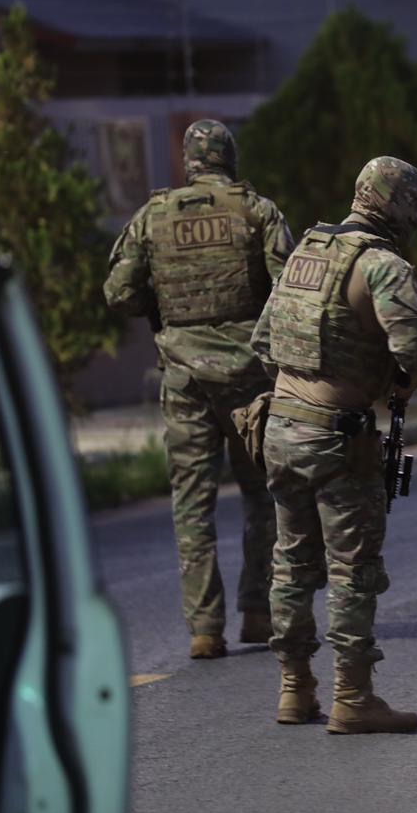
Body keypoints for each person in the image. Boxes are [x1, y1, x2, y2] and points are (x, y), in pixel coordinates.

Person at [251, 156, 417, 734]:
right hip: (335, 434)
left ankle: (293, 689)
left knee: (292, 560)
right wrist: (396, 378)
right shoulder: (382, 264)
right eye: (414, 203)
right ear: (396, 205)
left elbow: (262, 340)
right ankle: (353, 697)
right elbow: (413, 346)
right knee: (353, 567)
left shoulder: (307, 251)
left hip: (279, 427)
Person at [104, 119, 293, 659]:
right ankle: (259, 612)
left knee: (192, 502)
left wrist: (164, 316)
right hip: (251, 382)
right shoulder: (258, 212)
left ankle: (205, 629)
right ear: (230, 157)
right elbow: (291, 289)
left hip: (184, 379)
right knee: (265, 496)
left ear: (188, 160)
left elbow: (119, 292)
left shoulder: (154, 216)